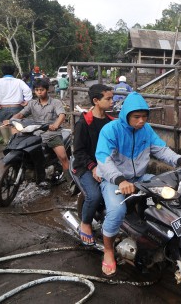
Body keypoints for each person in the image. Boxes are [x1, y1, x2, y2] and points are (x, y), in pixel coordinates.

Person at [95, 91, 181, 277]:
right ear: (126, 115)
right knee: (117, 211)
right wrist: (120, 180)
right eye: (136, 117)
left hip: (139, 178)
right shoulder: (111, 130)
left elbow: (161, 149)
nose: (141, 121)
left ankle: (153, 236)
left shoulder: (146, 130)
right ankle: (108, 251)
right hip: (113, 180)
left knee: (167, 194)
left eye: (144, 117)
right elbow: (103, 158)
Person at [6, 78, 71, 187]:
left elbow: (62, 115)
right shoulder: (32, 103)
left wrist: (55, 125)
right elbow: (21, 114)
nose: (39, 92)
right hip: (35, 133)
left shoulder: (55, 102)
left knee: (63, 157)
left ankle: (70, 181)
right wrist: (12, 120)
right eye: (37, 90)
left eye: (41, 90)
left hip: (52, 134)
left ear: (47, 90)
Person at [72, 84, 114, 246]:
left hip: (107, 165)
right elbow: (79, 152)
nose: (112, 102)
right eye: (108, 99)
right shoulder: (84, 123)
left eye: (112, 98)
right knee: (94, 195)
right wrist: (93, 167)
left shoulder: (111, 122)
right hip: (86, 166)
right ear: (96, 101)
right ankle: (86, 223)